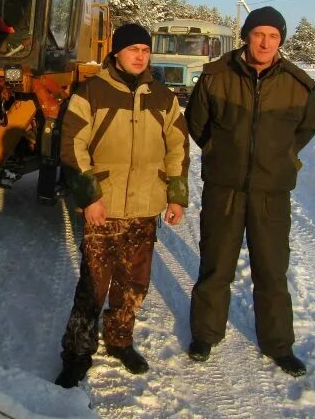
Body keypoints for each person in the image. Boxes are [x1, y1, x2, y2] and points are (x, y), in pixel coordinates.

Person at [184, 6, 315, 377]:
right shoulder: (216, 77)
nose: (265, 42)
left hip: (270, 192)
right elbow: (197, 123)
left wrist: (282, 155)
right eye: (259, 34)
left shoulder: (297, 84)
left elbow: (307, 128)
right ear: (246, 36)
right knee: (216, 265)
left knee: (272, 270)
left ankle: (278, 344)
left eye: (273, 36)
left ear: (281, 41)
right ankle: (205, 335)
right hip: (224, 189)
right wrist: (218, 151)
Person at [55, 23, 190, 388]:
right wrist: (90, 197)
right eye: (132, 50)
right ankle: (77, 354)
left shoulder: (163, 97)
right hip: (104, 207)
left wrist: (176, 196)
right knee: (92, 287)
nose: (139, 56)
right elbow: (72, 145)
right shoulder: (92, 92)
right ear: (116, 53)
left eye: (145, 51)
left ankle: (119, 341)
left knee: (133, 285)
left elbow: (178, 147)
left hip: (145, 209)